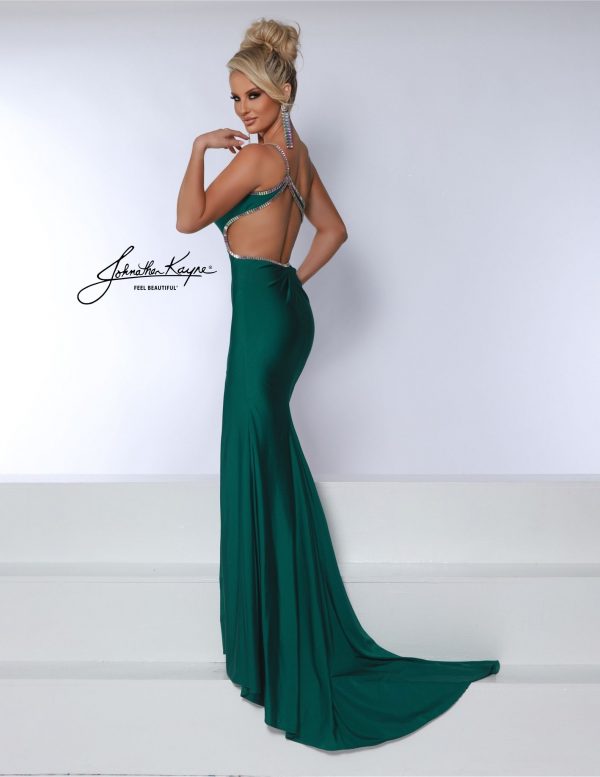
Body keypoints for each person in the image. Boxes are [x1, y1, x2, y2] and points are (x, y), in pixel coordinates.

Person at [176, 17, 500, 752]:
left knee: (252, 455)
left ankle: (271, 636)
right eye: (234, 100)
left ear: (284, 93)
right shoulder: (298, 155)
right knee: (268, 459)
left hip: (260, 323)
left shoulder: (262, 160)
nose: (242, 111)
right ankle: (282, 614)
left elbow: (188, 218)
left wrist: (198, 148)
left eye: (254, 97)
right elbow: (334, 231)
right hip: (286, 315)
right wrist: (293, 281)